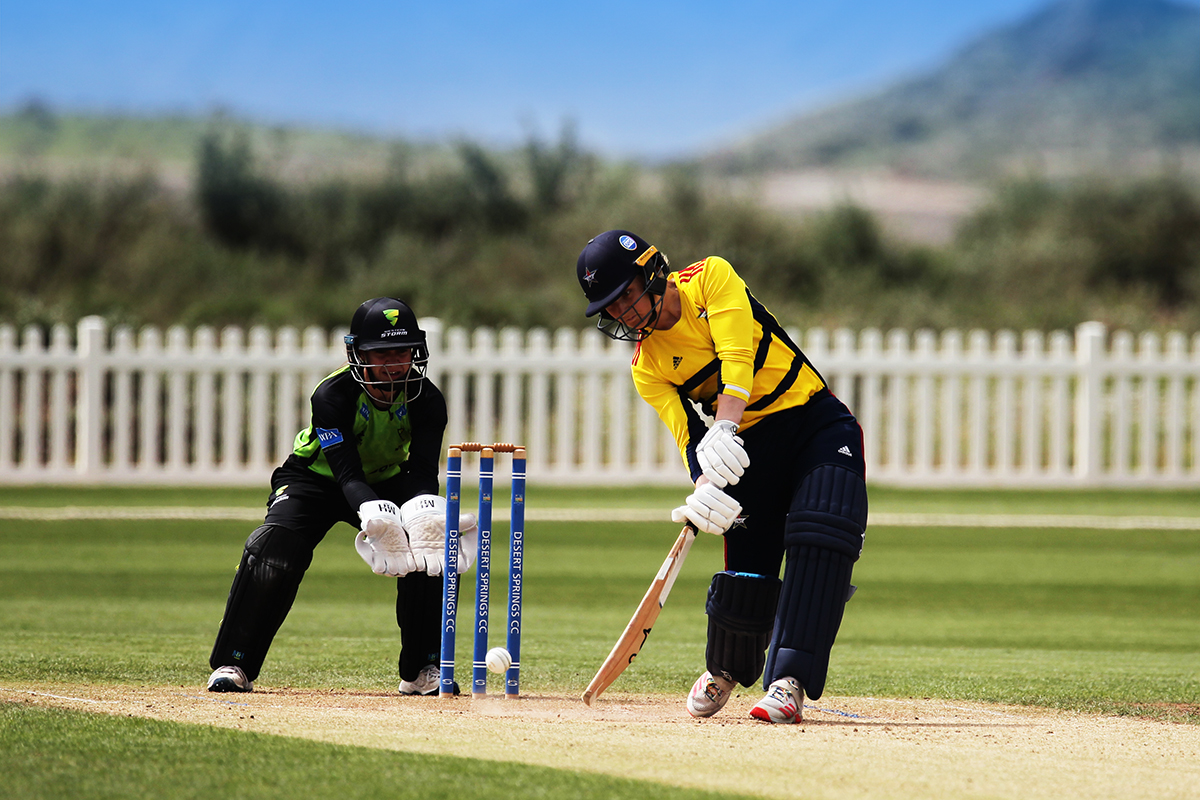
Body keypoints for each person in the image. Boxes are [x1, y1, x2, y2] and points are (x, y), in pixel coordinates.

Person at [575, 230, 868, 723]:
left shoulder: (710, 278)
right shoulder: (646, 366)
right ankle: (728, 667)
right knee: (747, 556)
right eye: (612, 308)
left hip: (813, 421)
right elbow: (689, 434)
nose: (623, 313)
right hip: (748, 449)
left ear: (652, 272)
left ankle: (788, 680)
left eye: (626, 295)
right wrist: (704, 485)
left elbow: (738, 360)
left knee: (821, 527)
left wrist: (727, 427)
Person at [206, 297, 476, 695]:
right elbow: (346, 471)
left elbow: (421, 474)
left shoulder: (428, 401)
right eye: (380, 353)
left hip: (385, 479)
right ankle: (234, 662)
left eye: (401, 352)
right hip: (315, 477)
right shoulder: (332, 396)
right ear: (357, 353)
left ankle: (421, 669)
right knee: (276, 547)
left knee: (429, 547)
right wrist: (374, 514)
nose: (392, 364)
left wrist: (422, 515)